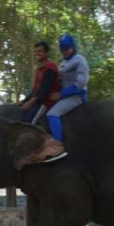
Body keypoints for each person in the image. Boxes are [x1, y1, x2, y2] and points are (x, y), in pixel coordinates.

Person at [43, 33, 89, 162]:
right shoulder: (62, 64)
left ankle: (57, 147)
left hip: (76, 95)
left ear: (73, 47)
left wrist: (61, 94)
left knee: (52, 114)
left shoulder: (80, 60)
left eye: (67, 47)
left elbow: (81, 83)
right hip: (63, 96)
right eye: (62, 48)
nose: (65, 51)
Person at [18, 41, 61, 124]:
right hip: (38, 101)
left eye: (40, 51)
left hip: (47, 102)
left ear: (46, 53)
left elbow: (43, 90)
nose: (37, 53)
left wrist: (29, 103)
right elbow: (35, 90)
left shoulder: (50, 67)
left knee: (28, 121)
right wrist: (23, 102)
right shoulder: (39, 70)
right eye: (35, 51)